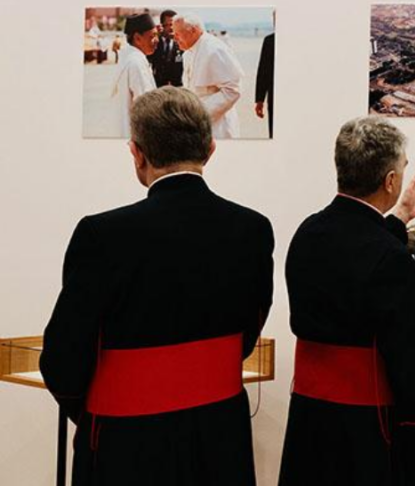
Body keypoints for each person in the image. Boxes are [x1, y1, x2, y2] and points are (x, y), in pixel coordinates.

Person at [40, 87, 274, 486]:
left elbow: (63, 360)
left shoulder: (102, 235)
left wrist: (109, 406)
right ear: (210, 149)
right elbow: (248, 332)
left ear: (137, 153)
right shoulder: (252, 229)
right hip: (221, 432)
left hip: (126, 438)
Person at [279, 117, 415, 486]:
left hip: (309, 419)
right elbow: (414, 365)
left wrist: (400, 216)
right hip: (366, 429)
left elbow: (356, 251)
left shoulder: (308, 233)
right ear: (390, 181)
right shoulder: (390, 257)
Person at [174, 14, 243, 138]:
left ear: (193, 30)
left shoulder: (214, 50)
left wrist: (199, 114)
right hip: (195, 124)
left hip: (218, 125)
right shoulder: (187, 53)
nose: (175, 38)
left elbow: (233, 90)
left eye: (178, 34)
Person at [111, 13, 158, 138]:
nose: (156, 40)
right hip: (138, 133)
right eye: (152, 36)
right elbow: (146, 104)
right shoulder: (136, 63)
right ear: (137, 38)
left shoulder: (128, 58)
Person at [149, 9, 183, 87]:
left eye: (173, 24)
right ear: (162, 25)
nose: (171, 28)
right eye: (168, 25)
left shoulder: (182, 42)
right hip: (158, 86)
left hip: (177, 86)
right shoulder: (155, 43)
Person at [255, 28, 275, 138]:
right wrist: (260, 99)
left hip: (274, 97)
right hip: (274, 97)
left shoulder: (270, 40)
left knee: (274, 133)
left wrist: (260, 100)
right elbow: (263, 71)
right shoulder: (269, 40)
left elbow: (263, 71)